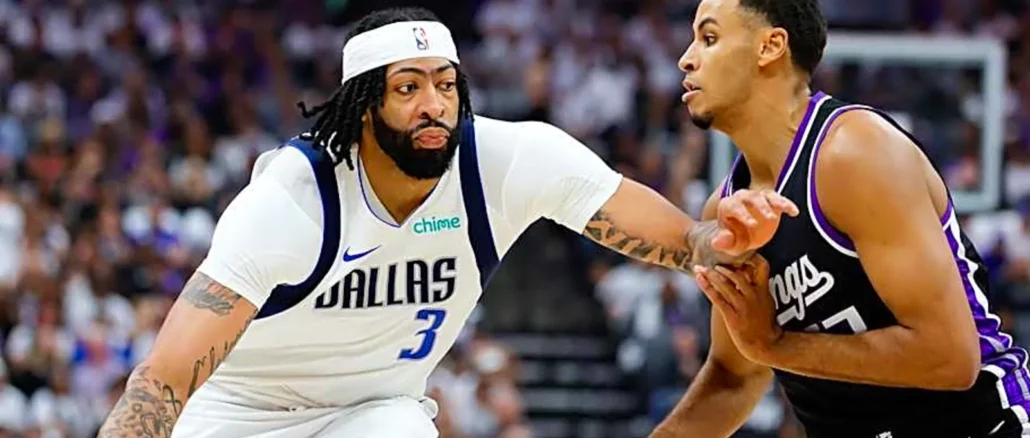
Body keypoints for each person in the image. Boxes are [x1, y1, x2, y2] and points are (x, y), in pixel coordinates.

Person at [96, 7, 797, 438]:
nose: (434, 104)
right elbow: (162, 380)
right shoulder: (292, 200)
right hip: (239, 413)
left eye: (446, 84)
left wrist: (716, 239)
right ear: (363, 107)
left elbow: (679, 238)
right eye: (408, 87)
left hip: (374, 409)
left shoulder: (509, 159)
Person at [649, 0, 1030, 437]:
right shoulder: (725, 209)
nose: (686, 58)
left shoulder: (854, 153)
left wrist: (775, 345)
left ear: (770, 46)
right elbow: (735, 377)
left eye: (709, 38)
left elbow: (950, 358)